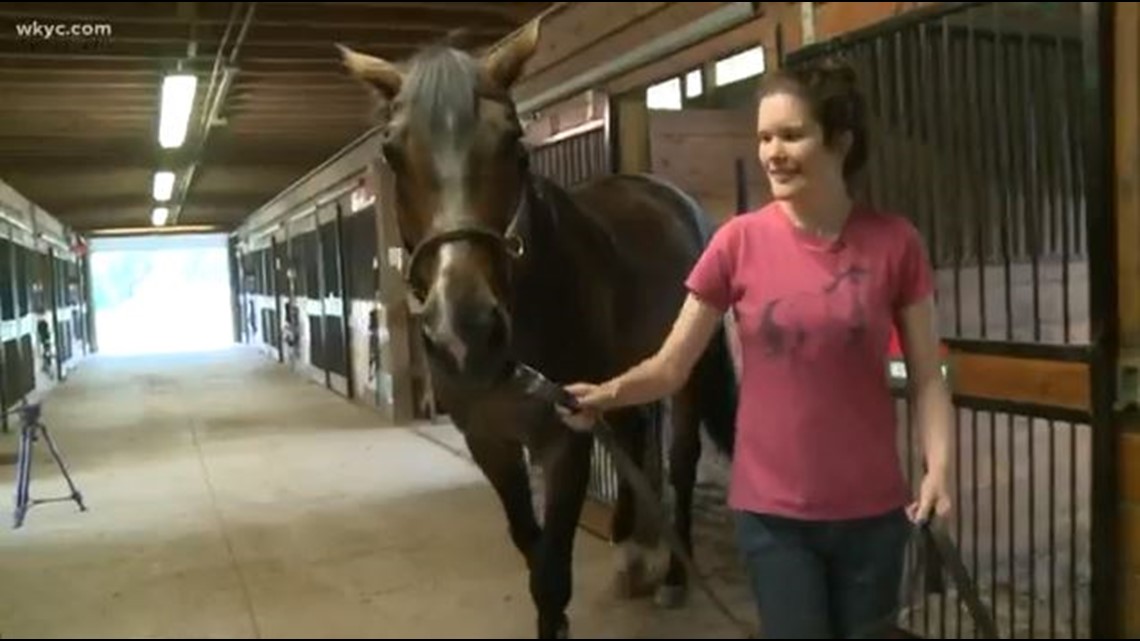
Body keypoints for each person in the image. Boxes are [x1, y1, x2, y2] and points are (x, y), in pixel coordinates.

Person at [557, 60, 954, 639]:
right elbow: (671, 367)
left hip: (874, 513)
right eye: (764, 137)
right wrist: (608, 394)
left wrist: (939, 467)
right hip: (774, 517)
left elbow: (927, 377)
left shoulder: (897, 243)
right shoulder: (736, 243)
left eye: (792, 135)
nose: (772, 152)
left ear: (841, 140)